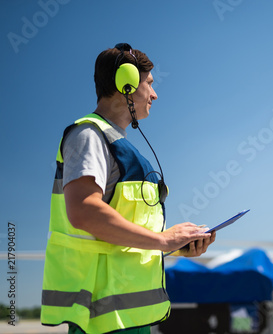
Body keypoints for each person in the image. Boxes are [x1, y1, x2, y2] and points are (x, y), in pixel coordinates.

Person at [41, 43, 216, 334]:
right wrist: (162, 240)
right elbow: (84, 212)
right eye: (149, 84)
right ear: (127, 83)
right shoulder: (88, 135)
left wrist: (173, 245)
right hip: (102, 323)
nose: (155, 94)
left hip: (129, 320)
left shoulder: (117, 145)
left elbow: (119, 239)